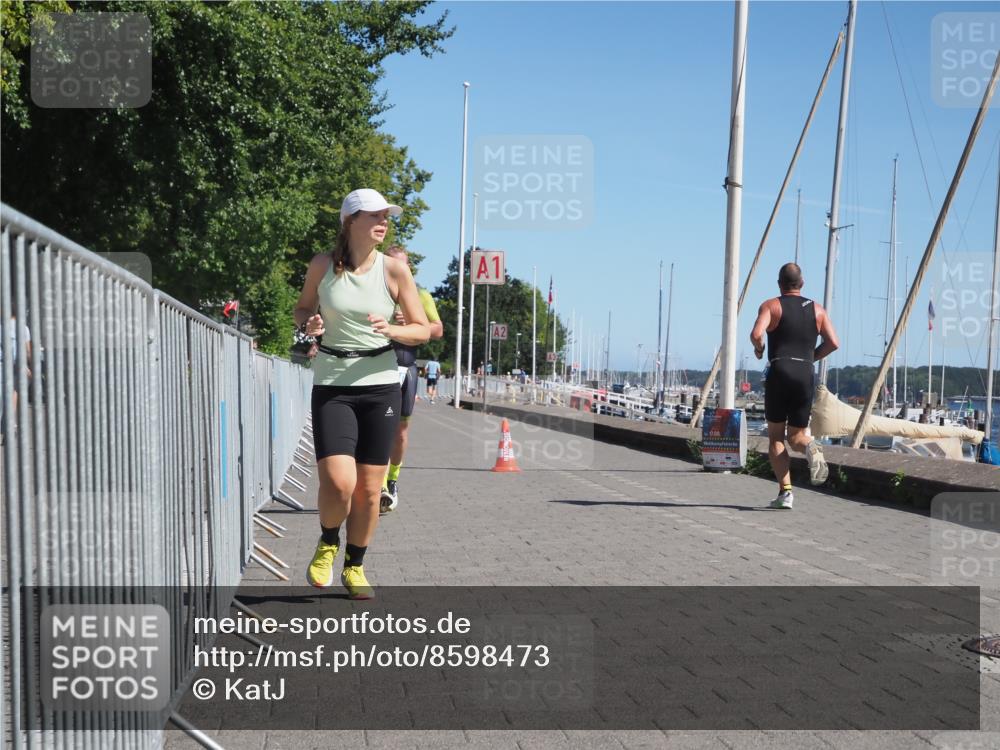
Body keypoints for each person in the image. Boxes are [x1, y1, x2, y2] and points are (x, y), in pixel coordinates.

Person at [294, 188, 431, 598]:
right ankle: (328, 540)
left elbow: (422, 329)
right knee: (339, 484)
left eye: (386, 216)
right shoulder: (322, 265)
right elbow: (301, 309)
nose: (383, 222)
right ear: (350, 220)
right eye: (374, 215)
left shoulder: (394, 271)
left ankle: (355, 565)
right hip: (333, 382)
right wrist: (311, 324)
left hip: (380, 385)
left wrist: (392, 329)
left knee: (370, 490)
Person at [750, 262, 838, 510]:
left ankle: (786, 493)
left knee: (776, 437)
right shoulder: (817, 310)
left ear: (780, 284)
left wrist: (759, 350)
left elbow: (757, 334)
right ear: (802, 284)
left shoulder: (771, 305)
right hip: (805, 373)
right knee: (798, 436)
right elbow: (834, 342)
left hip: (780, 371)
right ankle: (811, 446)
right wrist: (811, 357)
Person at [379, 245, 443, 515]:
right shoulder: (376, 291)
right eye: (392, 264)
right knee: (380, 427)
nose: (397, 269)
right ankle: (379, 486)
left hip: (407, 368)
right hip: (380, 366)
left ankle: (392, 480)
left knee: (400, 431)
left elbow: (437, 330)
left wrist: (414, 325)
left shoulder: (420, 295)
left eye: (402, 265)